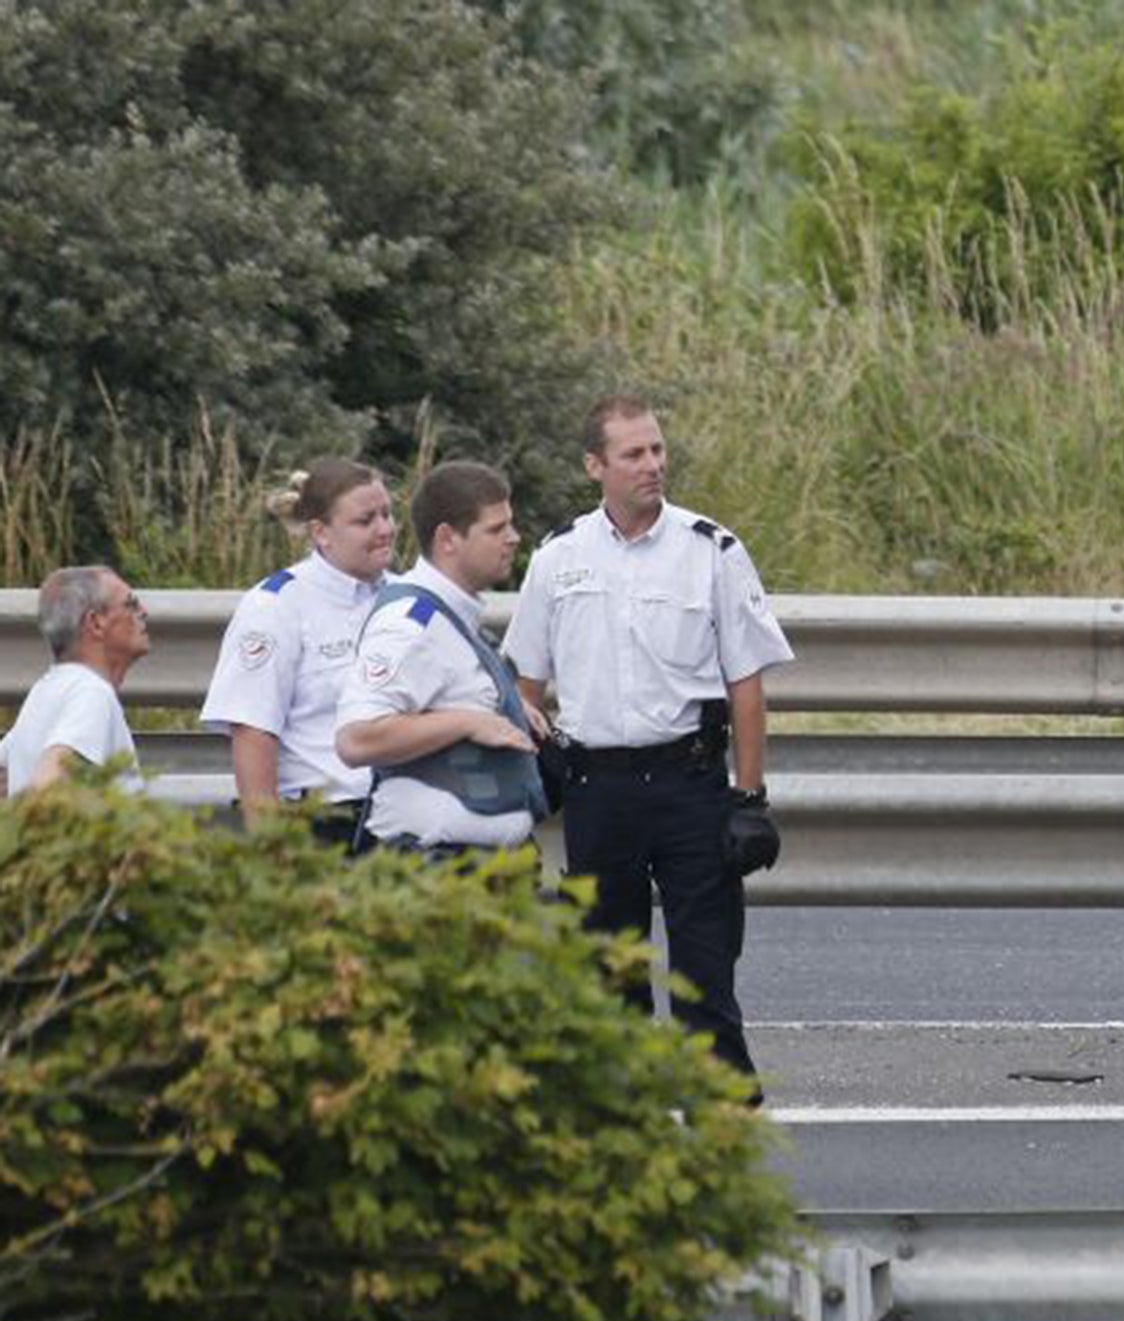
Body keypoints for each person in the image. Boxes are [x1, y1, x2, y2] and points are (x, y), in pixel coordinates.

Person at [502, 395, 793, 1097]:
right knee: (610, 977)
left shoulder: (712, 551)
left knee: (705, 979)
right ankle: (625, 1145)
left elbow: (745, 681)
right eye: (633, 454)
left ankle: (719, 1146)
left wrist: (749, 799)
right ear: (594, 465)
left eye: (657, 449)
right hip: (597, 791)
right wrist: (522, 785)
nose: (653, 465)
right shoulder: (558, 557)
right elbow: (523, 683)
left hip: (688, 786)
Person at [335, 460, 548, 856]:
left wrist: (510, 711)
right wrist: (468, 722)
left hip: (479, 869)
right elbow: (356, 739)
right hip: (435, 870)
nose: (514, 538)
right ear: (448, 538)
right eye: (497, 529)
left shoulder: (457, 619)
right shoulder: (410, 625)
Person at [200, 458, 396, 839]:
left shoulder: (408, 598)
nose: (385, 529)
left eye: (388, 514)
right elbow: (253, 731)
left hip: (406, 819)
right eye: (365, 520)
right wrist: (272, 849)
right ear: (320, 532)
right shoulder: (276, 605)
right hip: (325, 822)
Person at [1, 567, 151, 797]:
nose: (144, 612)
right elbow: (49, 784)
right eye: (131, 604)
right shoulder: (92, 694)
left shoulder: (45, 690)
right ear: (96, 622)